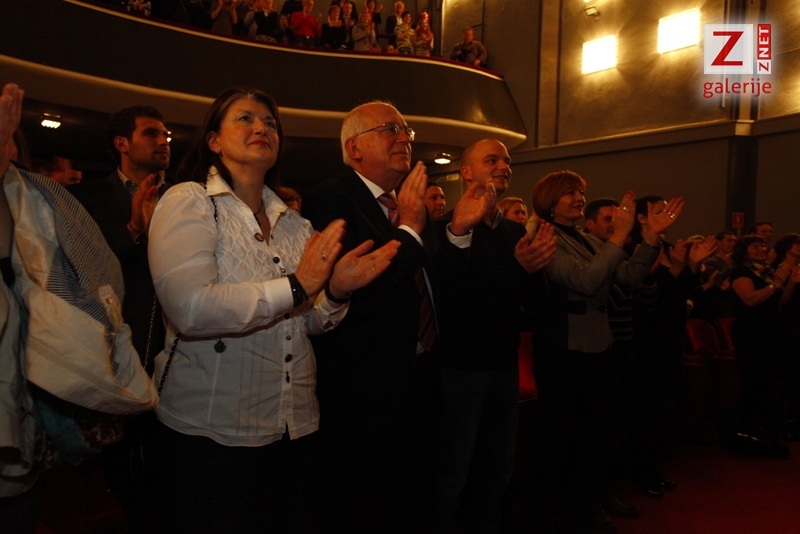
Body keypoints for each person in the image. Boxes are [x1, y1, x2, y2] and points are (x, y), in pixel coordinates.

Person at [146, 88, 399, 531]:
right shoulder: (190, 200)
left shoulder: (295, 224)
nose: (262, 127)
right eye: (245, 118)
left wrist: (336, 292)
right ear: (214, 140)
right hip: (213, 431)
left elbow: (308, 323)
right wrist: (298, 284)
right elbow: (190, 307)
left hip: (294, 424)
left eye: (269, 122)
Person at [302, 101, 492, 533]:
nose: (404, 137)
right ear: (354, 148)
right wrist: (407, 228)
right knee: (364, 508)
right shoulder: (329, 198)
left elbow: (436, 285)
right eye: (390, 129)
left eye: (406, 130)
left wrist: (456, 232)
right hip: (365, 394)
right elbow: (361, 292)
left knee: (416, 500)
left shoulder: (408, 202)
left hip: (424, 378)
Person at [528, 171, 684, 532]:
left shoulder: (584, 238)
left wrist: (649, 238)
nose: (579, 198)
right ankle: (560, 509)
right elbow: (584, 281)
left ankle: (590, 499)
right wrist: (616, 238)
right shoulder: (545, 237)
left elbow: (628, 277)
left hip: (599, 344)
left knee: (599, 430)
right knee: (566, 435)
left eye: (580, 192)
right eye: (570, 193)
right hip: (565, 350)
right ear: (550, 201)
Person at [434, 139, 556, 533]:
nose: (504, 165)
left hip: (504, 365)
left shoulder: (514, 231)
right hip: (461, 369)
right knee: (453, 475)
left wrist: (537, 267)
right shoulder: (445, 229)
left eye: (507, 160)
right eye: (492, 160)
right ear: (466, 172)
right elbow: (456, 303)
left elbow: (531, 302)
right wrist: (518, 268)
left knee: (498, 471)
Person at [728, 234, 798, 455]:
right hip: (751, 334)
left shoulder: (765, 271)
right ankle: (744, 430)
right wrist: (776, 283)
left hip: (770, 333)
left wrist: (790, 283)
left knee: (767, 383)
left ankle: (760, 429)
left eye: (763, 246)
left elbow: (780, 302)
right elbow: (749, 299)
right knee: (754, 381)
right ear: (744, 251)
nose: (762, 249)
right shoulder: (741, 272)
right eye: (755, 246)